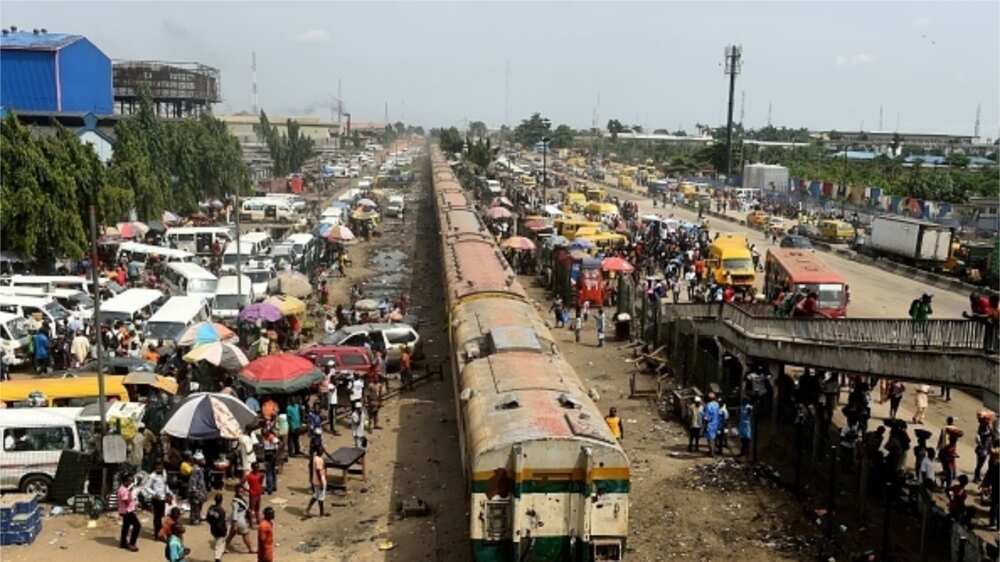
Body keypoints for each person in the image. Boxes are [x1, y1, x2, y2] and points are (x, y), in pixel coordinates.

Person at [225, 487, 254, 554]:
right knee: (245, 534)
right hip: (238, 520)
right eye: (240, 491)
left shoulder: (241, 500)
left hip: (237, 520)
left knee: (231, 534)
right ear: (237, 492)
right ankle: (251, 549)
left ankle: (225, 547)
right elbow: (235, 512)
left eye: (242, 491)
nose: (242, 493)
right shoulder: (236, 501)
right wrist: (235, 524)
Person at [117, 473, 140, 552]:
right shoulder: (123, 490)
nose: (131, 482)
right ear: (125, 481)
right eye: (129, 481)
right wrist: (130, 492)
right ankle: (132, 544)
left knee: (126, 527)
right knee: (137, 525)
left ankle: (123, 543)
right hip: (127, 511)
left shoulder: (125, 488)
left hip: (127, 510)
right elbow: (126, 501)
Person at [148, 462, 170, 538]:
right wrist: (154, 494)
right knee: (157, 517)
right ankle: (157, 534)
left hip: (163, 498)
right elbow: (147, 487)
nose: (159, 469)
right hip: (156, 499)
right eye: (157, 468)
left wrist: (168, 493)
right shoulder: (152, 476)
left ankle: (160, 532)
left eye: (160, 468)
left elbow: (165, 485)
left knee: (161, 516)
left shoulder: (164, 473)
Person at [305, 443, 327, 518]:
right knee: (321, 497)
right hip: (319, 480)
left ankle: (308, 509)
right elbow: (318, 471)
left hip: (316, 480)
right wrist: (321, 482)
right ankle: (321, 513)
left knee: (316, 495)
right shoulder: (319, 460)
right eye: (321, 449)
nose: (322, 451)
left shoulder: (315, 458)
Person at [205, 494, 228, 562]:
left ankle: (220, 554)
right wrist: (224, 531)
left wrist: (212, 524)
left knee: (220, 542)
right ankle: (217, 558)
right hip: (220, 530)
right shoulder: (221, 511)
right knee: (218, 544)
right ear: (221, 501)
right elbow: (221, 523)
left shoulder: (211, 508)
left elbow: (207, 518)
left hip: (213, 528)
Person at [188, 451, 208, 524]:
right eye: (202, 459)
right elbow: (193, 481)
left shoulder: (200, 469)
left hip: (200, 490)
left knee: (199, 505)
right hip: (196, 491)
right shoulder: (195, 469)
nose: (204, 461)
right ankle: (194, 519)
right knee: (195, 505)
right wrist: (194, 490)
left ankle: (197, 517)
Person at [243, 462, 265, 527]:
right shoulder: (249, 476)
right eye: (256, 467)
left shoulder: (260, 474)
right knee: (251, 509)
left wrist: (261, 489)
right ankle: (251, 524)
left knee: (257, 508)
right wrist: (247, 490)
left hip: (258, 494)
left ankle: (258, 521)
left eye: (257, 467)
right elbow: (241, 483)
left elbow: (260, 483)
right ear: (253, 468)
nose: (257, 468)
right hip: (252, 494)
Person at [702, 392, 721, 457]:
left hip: (710, 424)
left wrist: (704, 425)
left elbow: (707, 417)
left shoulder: (708, 405)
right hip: (716, 423)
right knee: (714, 438)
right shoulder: (717, 404)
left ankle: (712, 453)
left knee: (710, 439)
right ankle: (712, 451)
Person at [323, 360, 340, 434]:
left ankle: (333, 428)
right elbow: (332, 388)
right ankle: (333, 429)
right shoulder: (330, 385)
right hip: (331, 402)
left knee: (333, 416)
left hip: (334, 401)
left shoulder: (331, 379)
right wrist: (336, 384)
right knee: (332, 416)